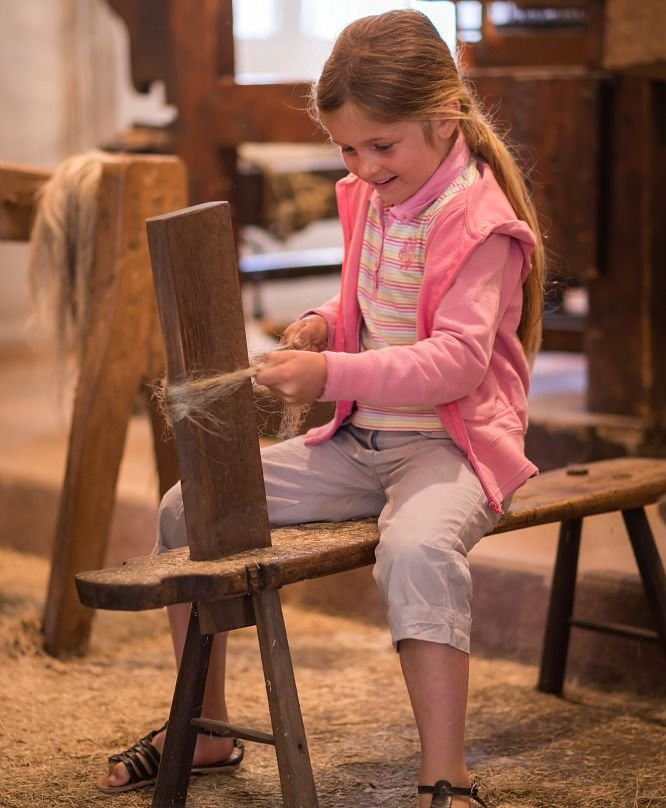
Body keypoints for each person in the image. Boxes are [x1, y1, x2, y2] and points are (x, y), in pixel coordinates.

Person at [97, 9, 544, 807]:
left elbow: (456, 362)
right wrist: (323, 325)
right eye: (346, 148)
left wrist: (334, 369)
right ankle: (207, 726)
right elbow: (378, 309)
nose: (363, 166)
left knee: (414, 548)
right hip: (360, 439)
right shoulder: (374, 196)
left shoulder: (482, 223)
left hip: (452, 446)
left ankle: (447, 773)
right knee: (189, 508)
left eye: (381, 146)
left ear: (444, 120)